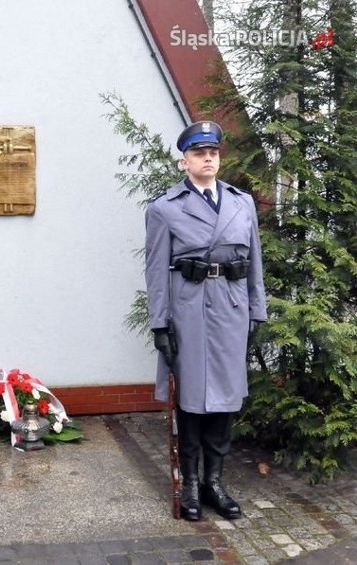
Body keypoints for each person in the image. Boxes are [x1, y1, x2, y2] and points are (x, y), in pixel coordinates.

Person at [144, 121, 267, 521]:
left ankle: (216, 482)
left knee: (226, 403)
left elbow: (254, 264)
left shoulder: (240, 202)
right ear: (185, 161)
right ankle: (191, 485)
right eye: (199, 153)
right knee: (193, 402)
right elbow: (156, 270)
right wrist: (160, 324)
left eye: (213, 151)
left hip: (231, 310)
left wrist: (257, 310)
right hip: (190, 313)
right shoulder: (165, 208)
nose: (208, 158)